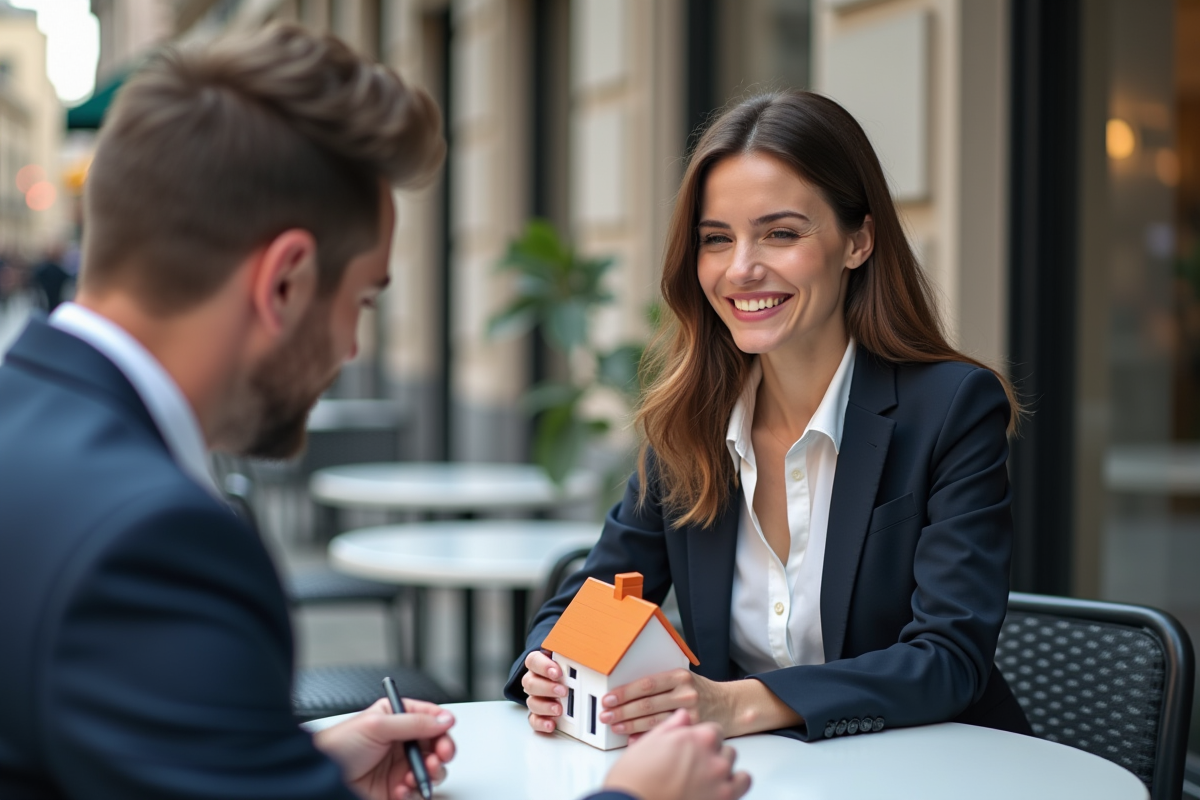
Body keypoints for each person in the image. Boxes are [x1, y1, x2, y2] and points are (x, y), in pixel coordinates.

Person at [0, 24, 747, 800]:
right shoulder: (156, 543)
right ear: (284, 282)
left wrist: (297, 770)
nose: (353, 348)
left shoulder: (26, 422)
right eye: (361, 299)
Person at [508, 91, 1034, 745]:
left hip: (931, 773)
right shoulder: (688, 422)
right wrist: (547, 668)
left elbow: (950, 660)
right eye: (716, 239)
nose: (741, 269)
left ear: (858, 241)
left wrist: (738, 705)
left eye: (781, 233)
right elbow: (587, 603)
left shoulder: (951, 409)